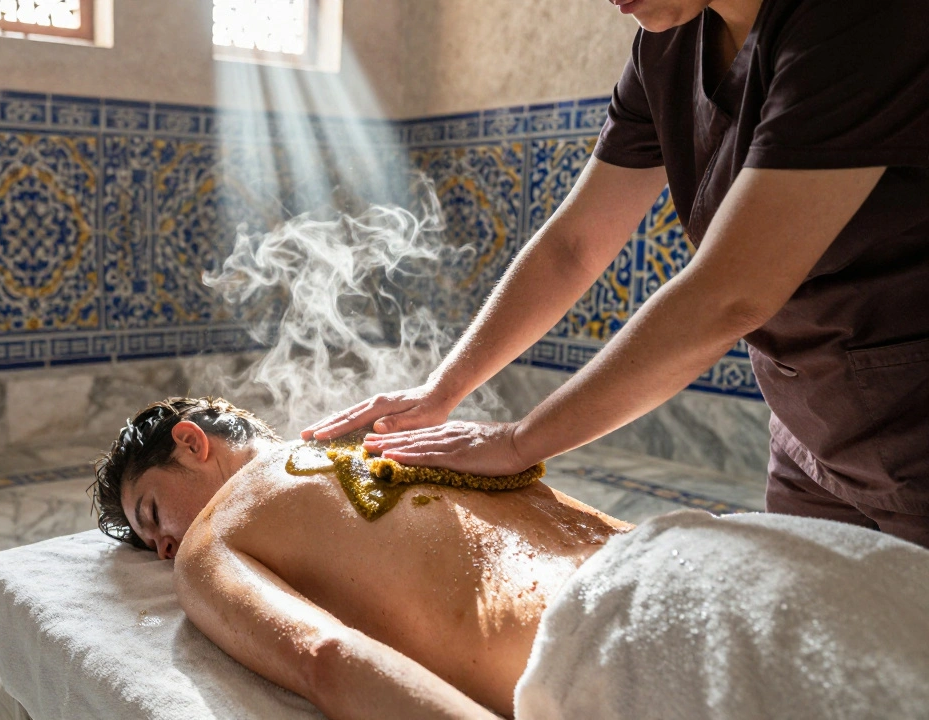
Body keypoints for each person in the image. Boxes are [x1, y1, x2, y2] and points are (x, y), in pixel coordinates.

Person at [302, 0, 929, 547]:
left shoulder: (864, 18)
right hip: (808, 428)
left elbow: (728, 296)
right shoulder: (668, 46)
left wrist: (519, 442)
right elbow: (573, 245)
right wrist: (441, 390)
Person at [91, 397, 929, 720]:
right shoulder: (401, 431)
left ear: (191, 442)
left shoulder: (214, 538)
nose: (163, 547)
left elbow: (327, 658)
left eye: (151, 517)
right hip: (727, 554)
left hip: (622, 645)